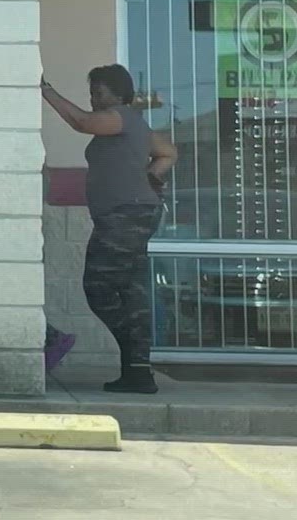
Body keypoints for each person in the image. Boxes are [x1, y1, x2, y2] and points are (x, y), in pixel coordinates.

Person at [40, 65, 178, 394]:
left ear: (119, 93)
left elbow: (81, 122)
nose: (93, 98)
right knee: (131, 292)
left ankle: (133, 353)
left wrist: (45, 90)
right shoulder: (135, 125)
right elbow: (169, 151)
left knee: (98, 286)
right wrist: (152, 177)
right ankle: (138, 372)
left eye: (99, 91)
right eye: (93, 92)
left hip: (125, 215)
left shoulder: (120, 116)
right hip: (130, 213)